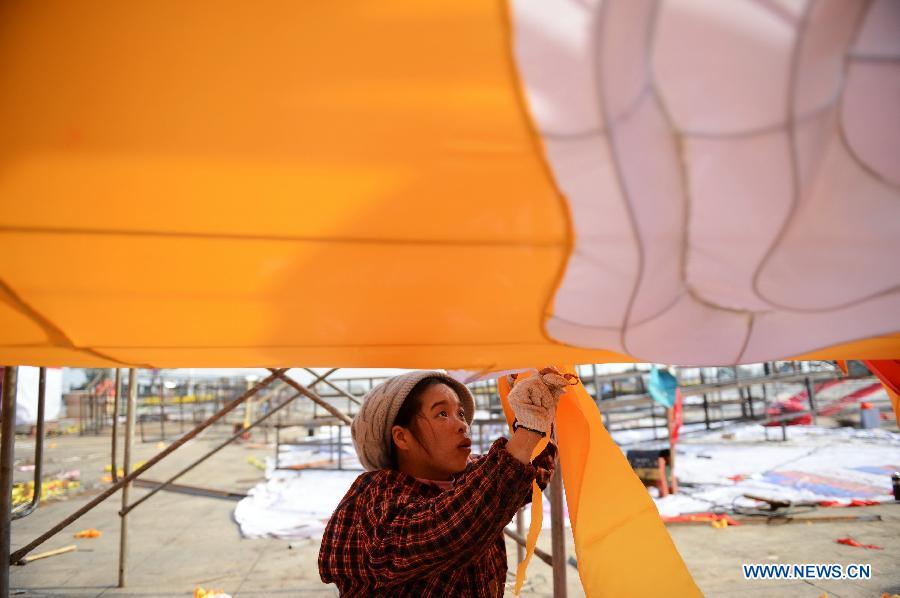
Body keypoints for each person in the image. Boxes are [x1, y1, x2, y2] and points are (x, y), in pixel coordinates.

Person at [318, 369, 568, 596]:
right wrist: (526, 433)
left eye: (460, 413)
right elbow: (447, 529)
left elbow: (526, 473)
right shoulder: (374, 494)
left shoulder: (472, 477)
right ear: (402, 437)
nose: (462, 424)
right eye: (442, 414)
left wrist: (540, 412)